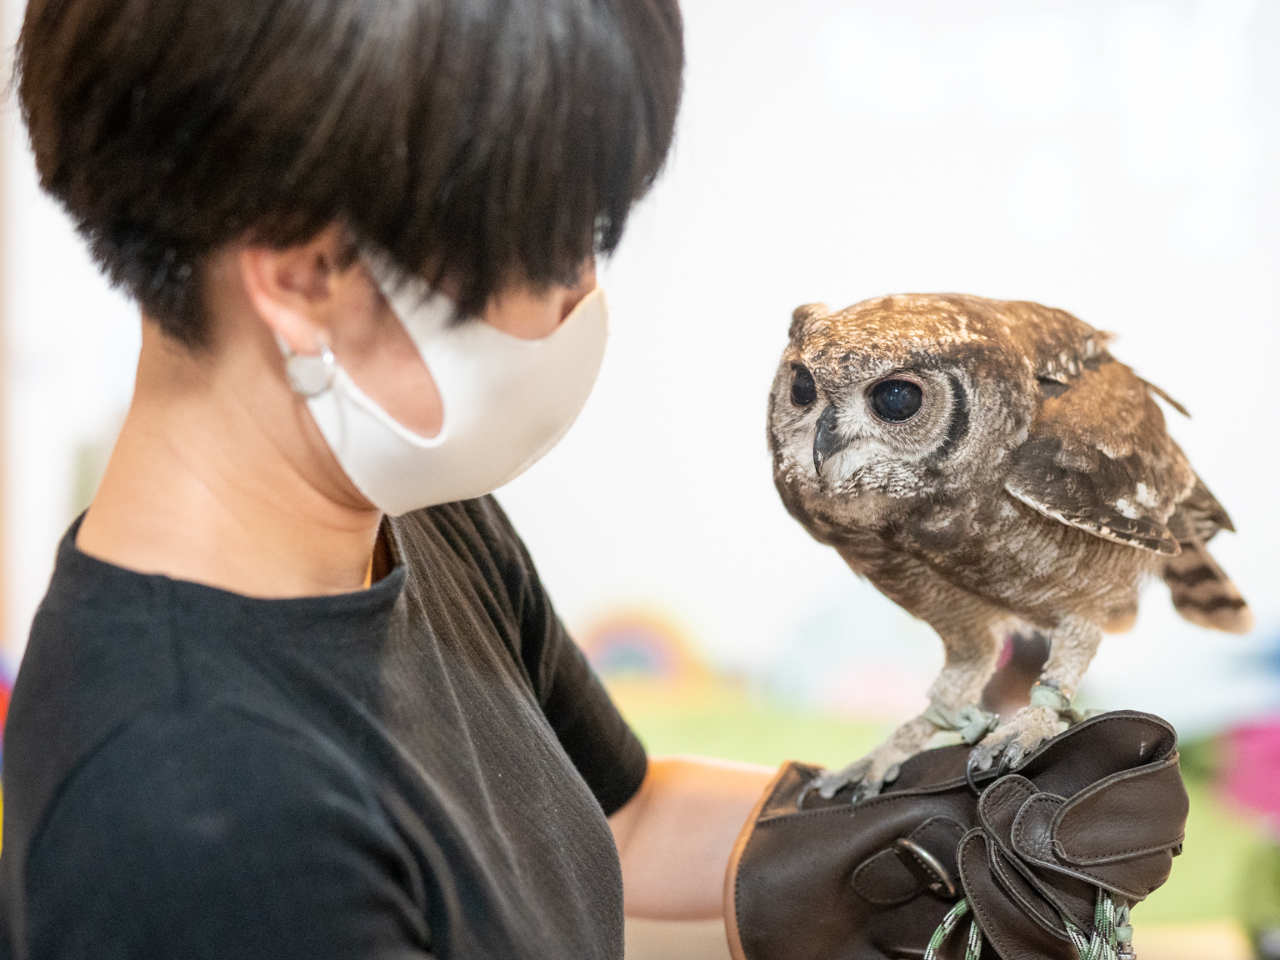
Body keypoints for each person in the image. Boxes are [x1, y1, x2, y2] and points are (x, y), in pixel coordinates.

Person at [0, 0, 779, 957]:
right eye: (552, 239)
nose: (584, 287)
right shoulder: (196, 817)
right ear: (305, 273)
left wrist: (924, 820)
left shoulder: (410, 513)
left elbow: (627, 819)